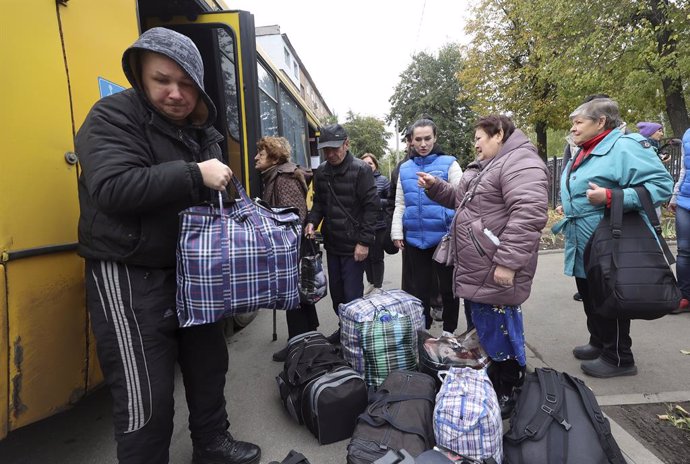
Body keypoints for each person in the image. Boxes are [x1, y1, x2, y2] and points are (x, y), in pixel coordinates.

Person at [76, 28, 260, 464]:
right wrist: (196, 174)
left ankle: (212, 445)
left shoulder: (205, 132)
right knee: (147, 392)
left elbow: (222, 195)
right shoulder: (112, 116)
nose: (176, 94)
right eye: (163, 80)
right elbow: (113, 187)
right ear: (141, 75)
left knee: (208, 366)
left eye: (187, 85)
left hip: (192, 272)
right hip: (128, 272)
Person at [418, 114, 548, 417]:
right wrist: (436, 187)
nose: (475, 144)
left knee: (499, 330)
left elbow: (528, 214)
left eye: (479, 138)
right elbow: (461, 200)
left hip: (494, 264)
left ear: (498, 134)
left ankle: (510, 388)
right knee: (485, 328)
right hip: (479, 264)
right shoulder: (486, 166)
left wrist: (508, 262)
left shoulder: (519, 162)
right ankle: (494, 380)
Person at [552, 98, 673, 378]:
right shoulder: (586, 148)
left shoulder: (624, 146)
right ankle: (599, 341)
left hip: (609, 235)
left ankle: (619, 357)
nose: (573, 127)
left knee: (609, 293)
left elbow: (661, 185)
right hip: (584, 235)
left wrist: (611, 197)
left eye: (578, 122)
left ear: (601, 122)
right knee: (589, 292)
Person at [305, 124, 380, 343]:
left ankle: (356, 337)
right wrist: (311, 222)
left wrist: (364, 242)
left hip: (354, 247)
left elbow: (372, 207)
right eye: (326, 150)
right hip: (333, 244)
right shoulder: (322, 172)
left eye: (335, 148)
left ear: (346, 144)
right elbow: (318, 203)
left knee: (352, 296)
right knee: (337, 296)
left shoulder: (361, 170)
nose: (330, 154)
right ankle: (344, 330)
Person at [391, 118, 461, 336]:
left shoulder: (449, 163)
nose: (423, 144)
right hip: (416, 239)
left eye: (427, 138)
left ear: (435, 138)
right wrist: (396, 232)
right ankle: (423, 329)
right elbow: (400, 203)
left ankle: (449, 331)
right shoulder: (404, 168)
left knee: (448, 289)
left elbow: (461, 196)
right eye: (418, 139)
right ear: (411, 141)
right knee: (419, 289)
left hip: (444, 238)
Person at [253, 136, 320, 361]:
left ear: (273, 157)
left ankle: (299, 345)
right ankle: (308, 338)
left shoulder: (283, 178)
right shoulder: (275, 175)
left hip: (293, 247)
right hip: (290, 246)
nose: (256, 158)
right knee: (299, 295)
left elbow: (296, 215)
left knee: (295, 297)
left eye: (260, 154)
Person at [360, 153, 391, 295]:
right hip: (362, 225)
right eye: (364, 163)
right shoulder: (358, 179)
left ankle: (378, 285)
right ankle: (371, 283)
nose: (368, 166)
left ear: (375, 165)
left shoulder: (383, 180)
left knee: (377, 256)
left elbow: (391, 201)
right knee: (365, 256)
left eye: (370, 163)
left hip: (379, 225)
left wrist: (377, 202)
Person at [669, 127, 690, 314]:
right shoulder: (688, 134)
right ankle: (685, 297)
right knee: (684, 250)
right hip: (685, 200)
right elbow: (684, 168)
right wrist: (675, 195)